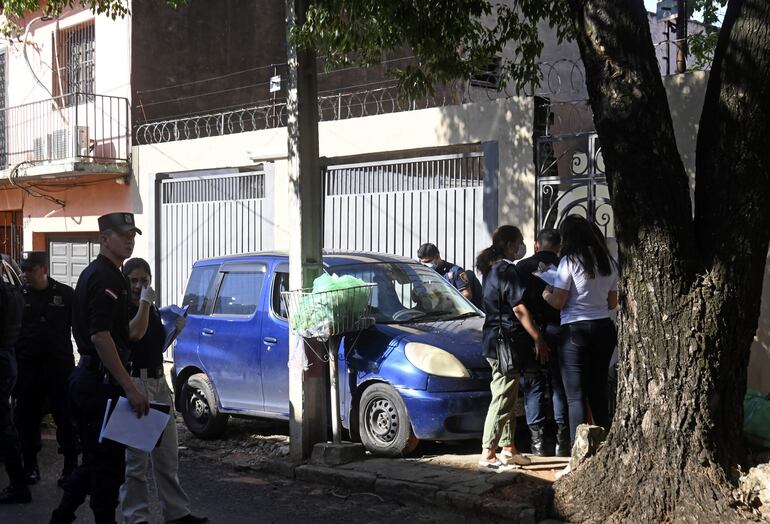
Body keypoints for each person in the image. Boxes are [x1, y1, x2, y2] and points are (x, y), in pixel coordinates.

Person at [51, 213, 150, 524]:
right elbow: (100, 335)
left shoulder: (110, 274)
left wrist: (145, 303)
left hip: (95, 379)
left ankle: (61, 516)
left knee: (97, 462)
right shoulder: (106, 277)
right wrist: (130, 388)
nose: (129, 239)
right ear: (104, 239)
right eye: (122, 234)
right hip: (98, 382)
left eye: (132, 233)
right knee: (106, 466)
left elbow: (128, 334)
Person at [120, 257, 207, 524]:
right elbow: (134, 335)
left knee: (168, 454)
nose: (138, 286)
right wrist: (144, 303)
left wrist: (174, 327)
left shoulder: (153, 309)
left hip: (158, 383)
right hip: (137, 383)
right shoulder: (126, 309)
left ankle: (177, 512)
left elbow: (153, 345)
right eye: (133, 281)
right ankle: (136, 517)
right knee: (136, 461)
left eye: (143, 281)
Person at [475, 225, 549, 470]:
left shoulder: (491, 269)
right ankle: (488, 452)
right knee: (503, 396)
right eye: (518, 242)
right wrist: (538, 337)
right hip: (506, 341)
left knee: (509, 394)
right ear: (508, 244)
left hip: (495, 340)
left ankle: (508, 448)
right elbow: (518, 309)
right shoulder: (506, 270)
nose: (521, 247)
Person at [542, 215, 618, 447]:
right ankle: (604, 447)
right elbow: (612, 303)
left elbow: (559, 302)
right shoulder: (608, 261)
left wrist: (546, 291)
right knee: (598, 393)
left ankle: (577, 455)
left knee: (575, 397)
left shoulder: (570, 260)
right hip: (604, 328)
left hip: (575, 329)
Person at [13, 251, 80, 486]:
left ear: (44, 269)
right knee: (27, 419)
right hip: (28, 368)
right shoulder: (18, 295)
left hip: (59, 368)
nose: (25, 274)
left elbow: (79, 328)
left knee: (66, 417)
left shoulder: (65, 294)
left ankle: (70, 467)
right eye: (23, 269)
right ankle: (30, 467)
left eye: (30, 270)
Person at [516, 229, 570, 456]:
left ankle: (537, 443)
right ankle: (561, 441)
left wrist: (534, 335)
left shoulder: (521, 267)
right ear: (558, 245)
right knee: (560, 385)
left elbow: (517, 304)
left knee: (533, 384)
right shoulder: (565, 266)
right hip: (560, 328)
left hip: (530, 331)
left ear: (537, 244)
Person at [0, 269, 29, 504]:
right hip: (7, 359)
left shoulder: (5, 292)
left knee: (3, 425)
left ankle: (18, 483)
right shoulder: (12, 289)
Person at [417, 243, 484, 310]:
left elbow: (467, 294)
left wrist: (450, 303)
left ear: (437, 256)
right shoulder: (426, 273)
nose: (426, 265)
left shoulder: (455, 272)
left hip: (457, 313)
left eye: (428, 261)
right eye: (423, 263)